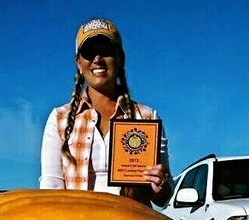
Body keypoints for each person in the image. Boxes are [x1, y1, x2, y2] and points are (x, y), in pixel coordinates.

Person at [39, 18, 171, 207]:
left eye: (106, 51)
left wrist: (160, 184)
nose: (97, 59)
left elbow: (163, 198)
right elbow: (50, 189)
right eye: (89, 53)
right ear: (79, 63)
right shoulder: (60, 118)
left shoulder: (148, 117)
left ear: (120, 59)